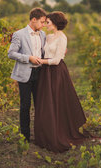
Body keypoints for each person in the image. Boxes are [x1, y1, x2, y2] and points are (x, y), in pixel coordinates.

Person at [33, 11, 92, 152]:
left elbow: (57, 60)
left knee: (56, 101)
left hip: (56, 72)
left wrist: (40, 61)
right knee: (46, 103)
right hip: (45, 72)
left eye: (47, 22)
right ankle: (45, 135)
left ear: (54, 22)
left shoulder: (62, 38)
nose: (45, 24)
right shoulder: (47, 37)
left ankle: (57, 133)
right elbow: (43, 52)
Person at [8, 7, 47, 143]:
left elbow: (44, 53)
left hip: (40, 73)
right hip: (25, 74)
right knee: (25, 105)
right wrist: (28, 58)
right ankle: (25, 136)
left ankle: (40, 135)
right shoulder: (19, 34)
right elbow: (11, 53)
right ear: (33, 20)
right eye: (42, 22)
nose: (43, 25)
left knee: (40, 105)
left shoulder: (42, 35)